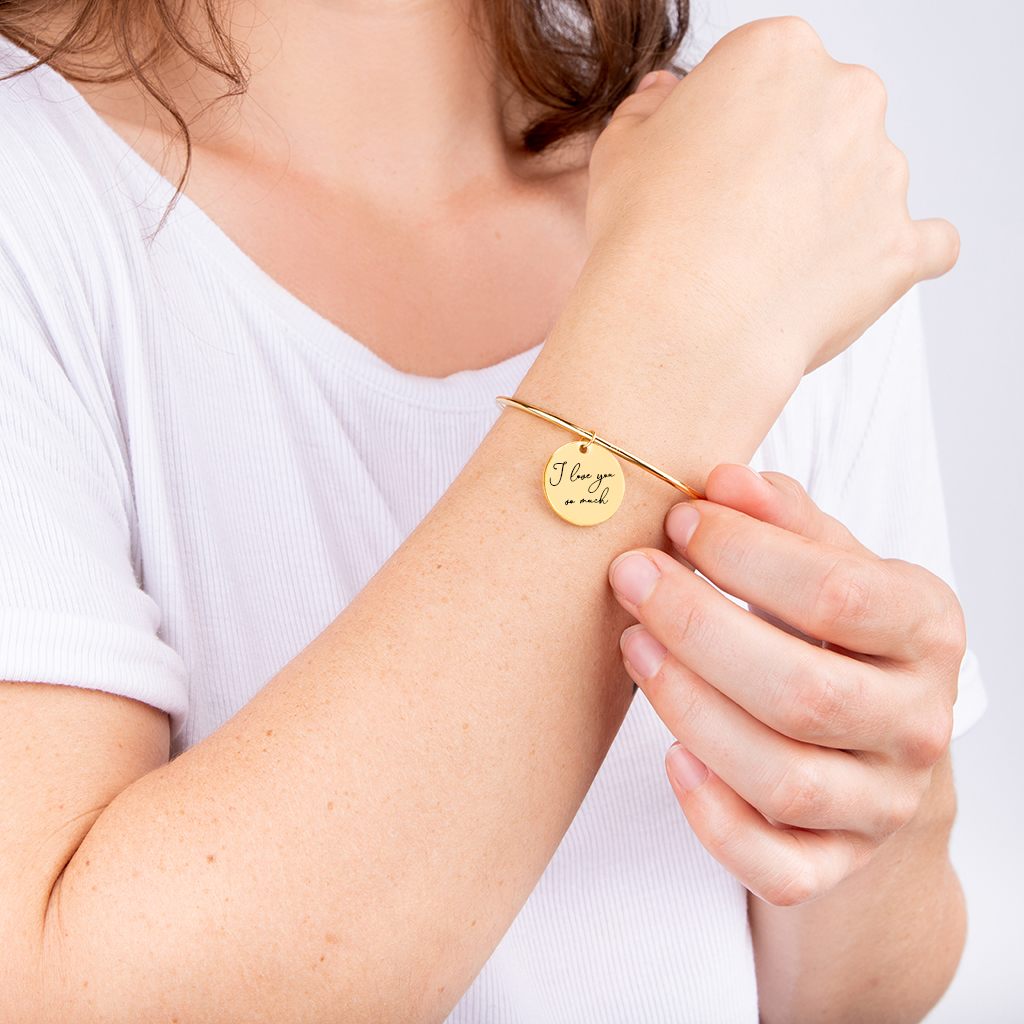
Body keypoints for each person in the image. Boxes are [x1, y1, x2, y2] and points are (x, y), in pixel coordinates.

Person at [0, 0, 983, 1018]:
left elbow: (851, 994)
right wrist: (665, 341)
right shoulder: (35, 208)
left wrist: (882, 807)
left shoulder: (754, 180)